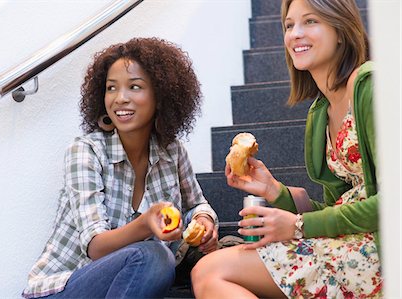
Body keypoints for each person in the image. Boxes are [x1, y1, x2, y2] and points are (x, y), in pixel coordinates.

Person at [191, 0, 382, 298]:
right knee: (207, 269)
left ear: (341, 29)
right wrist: (273, 191)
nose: (295, 34)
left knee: (212, 270)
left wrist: (298, 225)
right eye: (289, 25)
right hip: (353, 244)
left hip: (381, 250)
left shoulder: (372, 86)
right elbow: (338, 211)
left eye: (310, 21)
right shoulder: (320, 113)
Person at [22, 37, 219, 299]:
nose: (120, 99)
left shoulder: (172, 151)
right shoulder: (87, 151)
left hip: (130, 283)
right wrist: (147, 223)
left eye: (134, 87)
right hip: (63, 288)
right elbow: (95, 246)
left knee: (165, 260)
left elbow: (197, 204)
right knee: (154, 256)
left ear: (161, 96)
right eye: (111, 88)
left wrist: (204, 221)